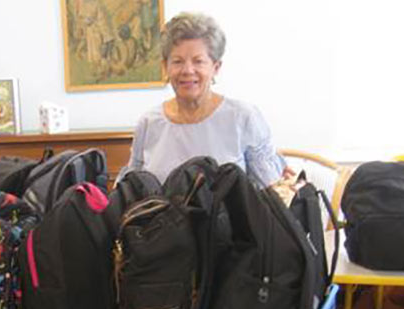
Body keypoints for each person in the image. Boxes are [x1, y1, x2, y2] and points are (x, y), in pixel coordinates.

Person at [121, 12, 291, 186]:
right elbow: (131, 189)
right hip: (162, 213)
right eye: (178, 61)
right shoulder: (149, 123)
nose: (187, 70)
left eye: (198, 61)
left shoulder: (244, 117)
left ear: (216, 67)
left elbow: (271, 193)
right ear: (165, 66)